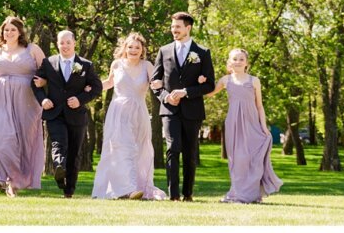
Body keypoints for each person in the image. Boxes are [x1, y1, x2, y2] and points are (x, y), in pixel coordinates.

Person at [91, 32, 167, 200]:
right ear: (124, 48)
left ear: (142, 50)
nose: (133, 50)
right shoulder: (117, 64)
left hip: (139, 112)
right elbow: (109, 83)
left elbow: (157, 83)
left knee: (139, 150)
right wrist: (89, 89)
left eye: (137, 47)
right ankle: (127, 189)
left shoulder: (147, 65)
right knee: (121, 148)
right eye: (130, 46)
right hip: (118, 112)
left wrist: (159, 85)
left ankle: (138, 187)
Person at [203, 49, 283, 204]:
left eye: (241, 59)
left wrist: (264, 127)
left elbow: (259, 106)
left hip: (252, 124)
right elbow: (208, 93)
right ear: (229, 62)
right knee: (237, 160)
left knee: (253, 159)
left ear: (246, 63)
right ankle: (237, 194)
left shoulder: (254, 81)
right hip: (233, 124)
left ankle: (252, 195)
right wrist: (201, 80)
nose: (238, 62)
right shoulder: (226, 80)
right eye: (235, 59)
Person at [151, 11, 215, 202]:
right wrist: (166, 97)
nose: (174, 30)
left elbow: (209, 84)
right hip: (170, 110)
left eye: (177, 27)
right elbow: (155, 82)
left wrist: (186, 92)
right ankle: (174, 194)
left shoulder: (202, 53)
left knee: (189, 152)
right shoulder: (164, 50)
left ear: (188, 27)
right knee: (173, 148)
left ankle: (188, 194)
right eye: (172, 27)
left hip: (192, 110)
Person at [31, 29, 102, 198]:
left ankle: (68, 190)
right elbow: (34, 83)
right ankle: (58, 166)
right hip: (54, 113)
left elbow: (97, 87)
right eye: (61, 42)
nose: (65, 46)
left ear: (74, 43)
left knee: (74, 153)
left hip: (77, 115)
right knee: (58, 143)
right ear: (57, 44)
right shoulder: (48, 63)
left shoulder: (86, 65)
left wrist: (81, 98)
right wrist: (43, 100)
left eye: (68, 42)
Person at [0, 16, 46, 196]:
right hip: (0, 99)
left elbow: (47, 71)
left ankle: (13, 183)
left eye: (13, 30)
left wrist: (43, 83)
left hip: (27, 101)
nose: (8, 33)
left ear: (20, 32)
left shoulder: (32, 49)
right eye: (6, 30)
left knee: (23, 143)